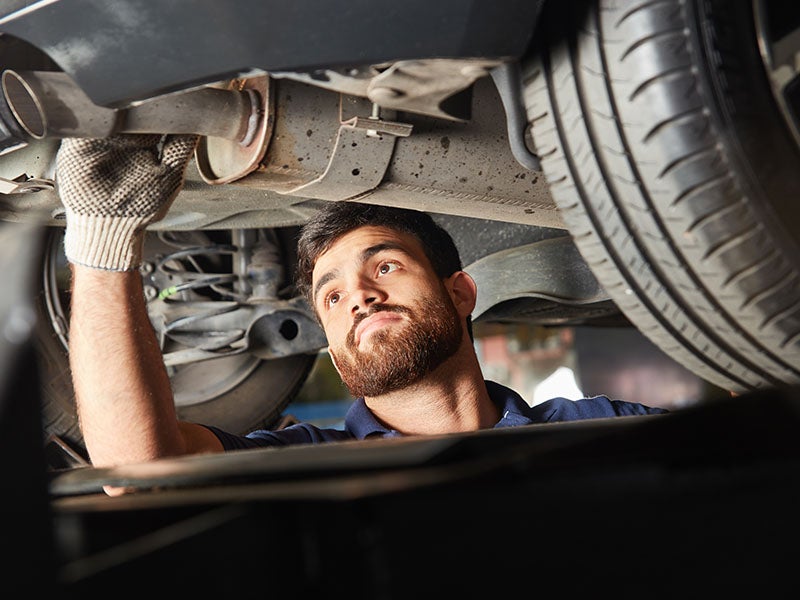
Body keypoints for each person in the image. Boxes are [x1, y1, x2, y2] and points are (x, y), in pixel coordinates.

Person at [55, 134, 668, 475]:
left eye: (385, 266)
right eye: (333, 294)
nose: (361, 297)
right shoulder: (299, 467)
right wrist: (101, 234)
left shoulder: (598, 428)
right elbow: (136, 473)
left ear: (460, 293)